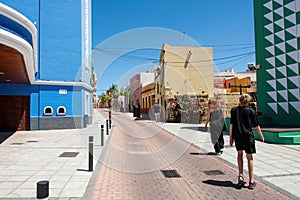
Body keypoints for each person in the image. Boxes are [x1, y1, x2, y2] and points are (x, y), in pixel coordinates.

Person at [229, 94, 264, 190]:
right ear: (248, 101)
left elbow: (231, 124)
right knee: (250, 157)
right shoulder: (251, 111)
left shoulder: (234, 110)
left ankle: (240, 176)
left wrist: (231, 137)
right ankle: (251, 181)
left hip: (238, 136)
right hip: (248, 136)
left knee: (239, 155)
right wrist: (261, 135)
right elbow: (256, 125)